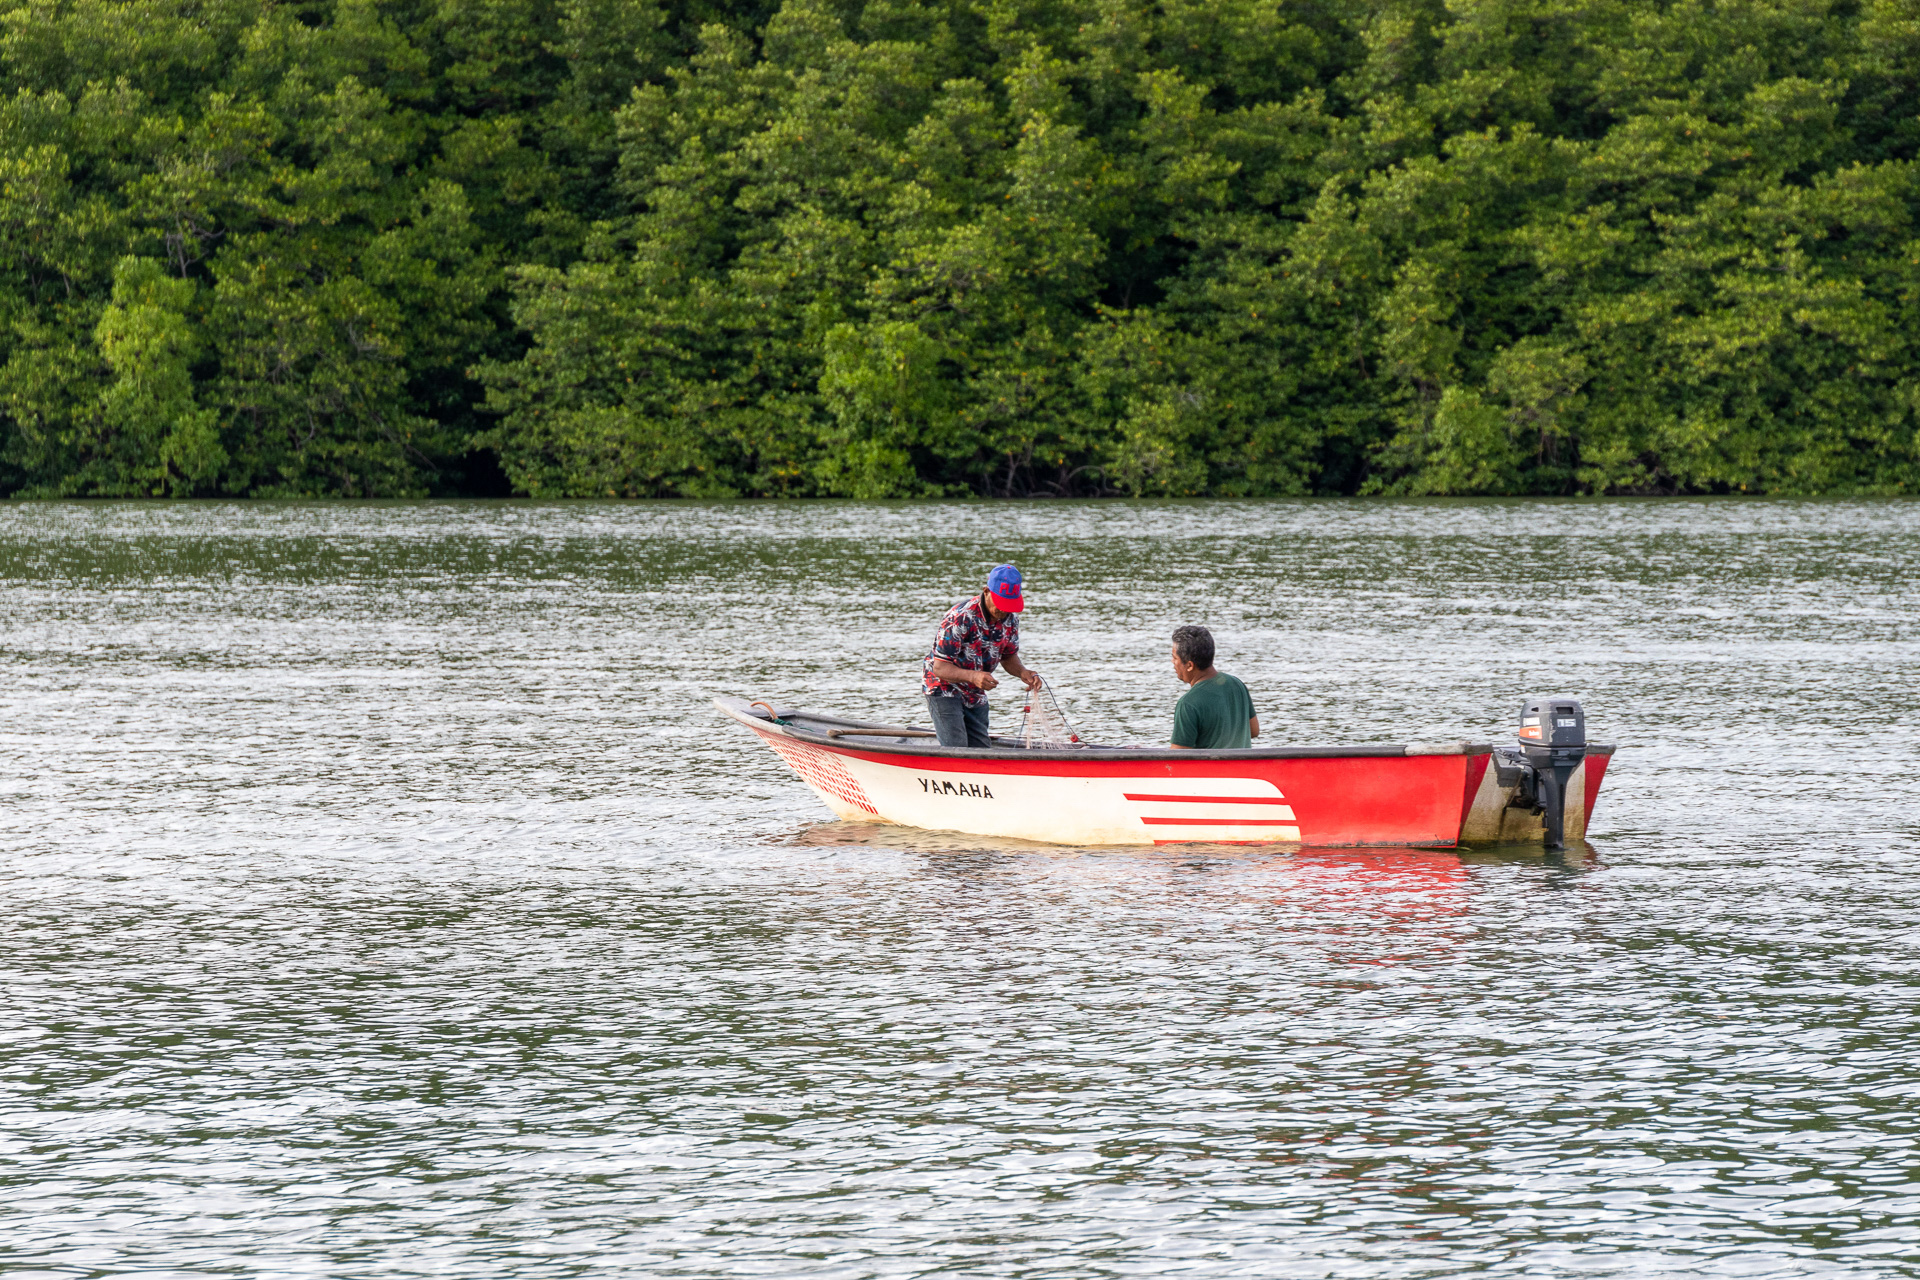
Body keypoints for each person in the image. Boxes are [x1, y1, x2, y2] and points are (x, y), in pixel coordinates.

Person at [923, 564, 1043, 747]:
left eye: (1008, 607)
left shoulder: (1010, 620)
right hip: (943, 687)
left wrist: (1023, 672)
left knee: (981, 749)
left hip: (975, 690)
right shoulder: (960, 617)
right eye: (1000, 605)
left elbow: (1008, 657)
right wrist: (973, 676)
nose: (1003, 612)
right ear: (986, 591)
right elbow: (939, 667)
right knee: (956, 747)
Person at [1168, 624, 1259, 749]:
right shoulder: (1237, 684)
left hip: (1212, 769)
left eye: (1174, 658)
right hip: (1244, 767)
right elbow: (1254, 731)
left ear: (1189, 665)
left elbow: (1177, 759)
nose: (1172, 662)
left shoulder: (1188, 703)